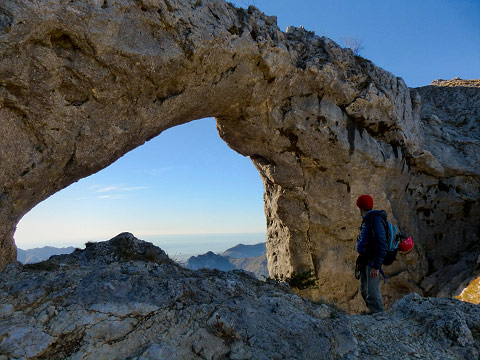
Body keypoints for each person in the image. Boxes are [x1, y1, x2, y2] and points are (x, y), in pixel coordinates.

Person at [355, 195, 389, 313]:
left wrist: (376, 266)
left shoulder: (375, 219)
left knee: (373, 294)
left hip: (372, 262)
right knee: (364, 290)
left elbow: (382, 244)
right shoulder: (368, 219)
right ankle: (373, 314)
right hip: (365, 260)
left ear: (360, 207)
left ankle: (380, 320)